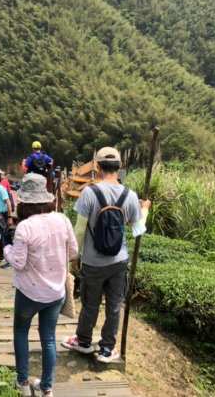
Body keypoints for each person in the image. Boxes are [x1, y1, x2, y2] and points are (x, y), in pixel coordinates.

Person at [61, 147, 150, 363]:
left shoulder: (89, 193)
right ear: (119, 168)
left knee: (90, 303)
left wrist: (72, 257)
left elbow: (80, 230)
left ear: (98, 167)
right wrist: (145, 208)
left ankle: (83, 342)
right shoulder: (130, 196)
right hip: (119, 262)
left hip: (93, 262)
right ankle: (107, 350)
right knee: (114, 306)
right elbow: (138, 230)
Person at [4, 173, 78, 397]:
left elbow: (18, 262)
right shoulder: (62, 220)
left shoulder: (25, 227)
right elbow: (73, 252)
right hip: (55, 293)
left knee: (20, 331)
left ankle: (23, 383)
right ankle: (46, 388)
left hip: (28, 293)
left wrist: (6, 248)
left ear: (24, 201)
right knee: (48, 339)